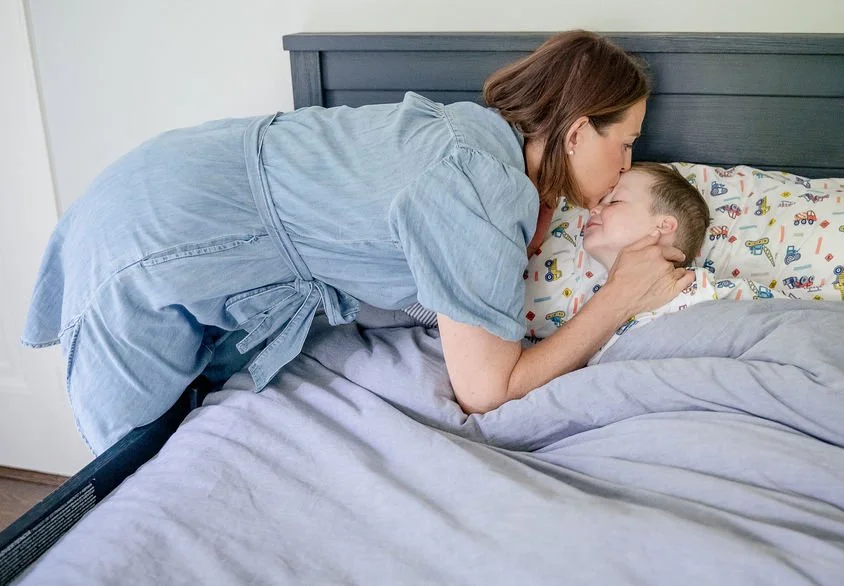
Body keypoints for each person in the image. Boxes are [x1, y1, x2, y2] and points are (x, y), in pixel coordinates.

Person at [22, 30, 695, 454]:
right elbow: (487, 391)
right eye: (625, 142)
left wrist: (540, 211)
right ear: (577, 131)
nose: (627, 164)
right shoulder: (484, 185)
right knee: (130, 466)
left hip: (168, 180)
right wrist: (618, 297)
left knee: (170, 435)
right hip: (156, 238)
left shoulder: (472, 138)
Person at [525, 162, 715, 351]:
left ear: (663, 225)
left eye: (614, 201)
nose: (593, 209)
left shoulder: (692, 288)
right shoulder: (577, 294)